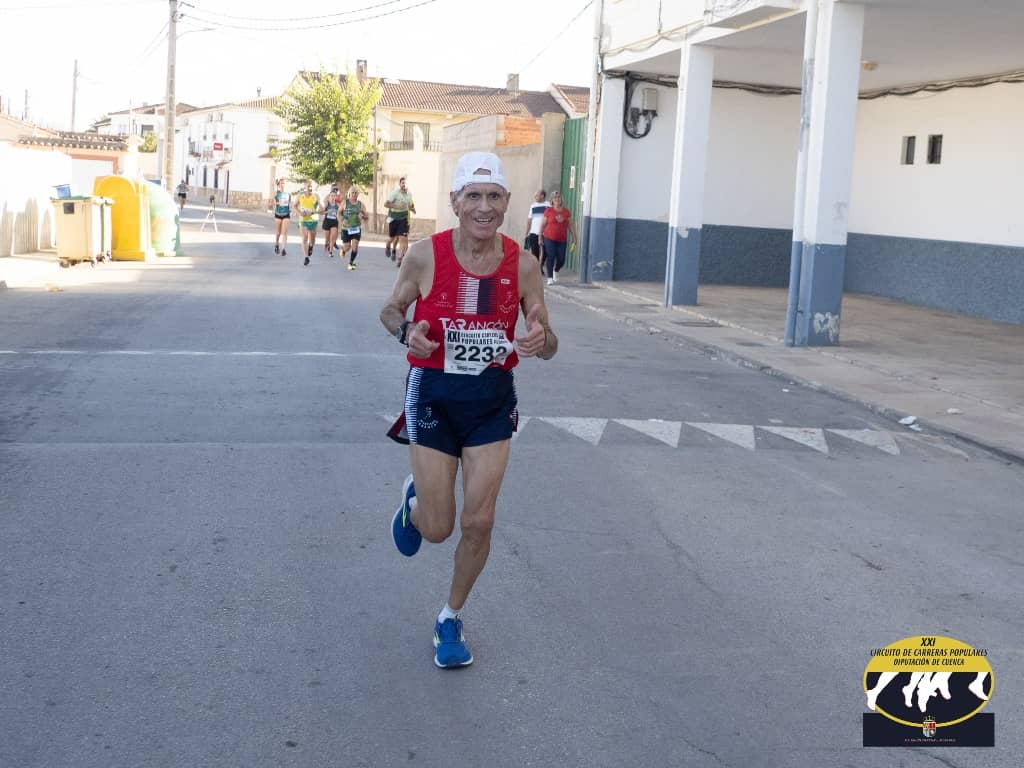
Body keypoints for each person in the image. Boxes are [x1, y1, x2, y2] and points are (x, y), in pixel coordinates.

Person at [379, 152, 557, 669]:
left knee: (479, 521)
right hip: (433, 394)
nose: (484, 207)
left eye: (494, 196)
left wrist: (541, 338)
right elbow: (390, 309)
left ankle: (450, 617)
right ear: (455, 201)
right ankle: (415, 505)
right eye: (473, 196)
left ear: (507, 203)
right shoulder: (424, 255)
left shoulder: (523, 265)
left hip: (491, 402)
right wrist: (405, 331)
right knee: (438, 528)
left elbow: (548, 341)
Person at [540, 189, 578, 285]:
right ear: (552, 200)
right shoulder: (548, 211)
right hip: (549, 238)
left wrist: (574, 237)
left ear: (561, 199)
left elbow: (571, 225)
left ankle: (556, 270)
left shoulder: (566, 212)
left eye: (559, 197)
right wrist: (540, 237)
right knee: (551, 256)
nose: (557, 199)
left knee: (561, 259)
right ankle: (550, 278)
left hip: (562, 240)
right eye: (555, 197)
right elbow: (543, 225)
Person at [384, 175, 416, 266]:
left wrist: (412, 209)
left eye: (405, 183)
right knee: (392, 238)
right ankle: (388, 246)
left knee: (403, 238)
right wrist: (397, 206)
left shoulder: (409, 194)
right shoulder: (395, 193)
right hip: (394, 218)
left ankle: (401, 258)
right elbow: (386, 204)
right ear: (400, 184)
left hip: (403, 218)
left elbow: (408, 205)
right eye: (402, 183)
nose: (404, 185)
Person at [339, 185, 369, 270]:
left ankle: (351, 263)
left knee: (355, 246)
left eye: (356, 193)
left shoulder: (361, 204)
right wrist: (342, 220)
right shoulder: (345, 203)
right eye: (353, 193)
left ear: (358, 194)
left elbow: (366, 216)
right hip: (346, 228)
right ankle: (343, 249)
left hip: (356, 228)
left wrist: (363, 216)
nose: (354, 194)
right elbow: (338, 213)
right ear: (349, 193)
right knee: (347, 246)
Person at [294, 180, 320, 266]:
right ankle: (306, 257)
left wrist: (313, 212)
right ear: (305, 187)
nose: (310, 188)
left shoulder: (316, 196)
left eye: (311, 186)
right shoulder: (300, 195)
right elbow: (294, 205)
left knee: (312, 240)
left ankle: (311, 246)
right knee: (304, 238)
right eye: (308, 186)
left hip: (313, 220)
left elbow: (322, 208)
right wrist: (299, 213)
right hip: (303, 220)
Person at [523, 189, 549, 263]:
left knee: (545, 252)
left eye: (537, 195)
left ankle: (540, 265)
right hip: (533, 233)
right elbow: (529, 220)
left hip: (545, 233)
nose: (535, 197)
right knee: (535, 252)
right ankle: (537, 267)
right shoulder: (533, 206)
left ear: (542, 196)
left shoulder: (549, 205)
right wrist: (526, 233)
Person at [271, 178, 291, 256]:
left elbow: (289, 204)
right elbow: (271, 203)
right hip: (278, 214)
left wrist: (291, 210)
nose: (283, 184)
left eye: (284, 183)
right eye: (281, 183)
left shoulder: (288, 194)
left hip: (286, 214)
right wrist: (277, 203)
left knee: (284, 233)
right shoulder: (276, 193)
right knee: (278, 233)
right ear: (279, 185)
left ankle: (283, 249)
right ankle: (276, 244)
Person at [322, 187, 340, 257]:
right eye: (331, 196)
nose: (333, 197)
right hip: (327, 221)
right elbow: (322, 212)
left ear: (336, 197)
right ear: (329, 196)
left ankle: (330, 251)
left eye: (334, 196)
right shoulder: (327, 204)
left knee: (332, 238)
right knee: (327, 238)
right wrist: (327, 211)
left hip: (334, 222)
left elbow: (341, 213)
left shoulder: (337, 205)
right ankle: (326, 243)